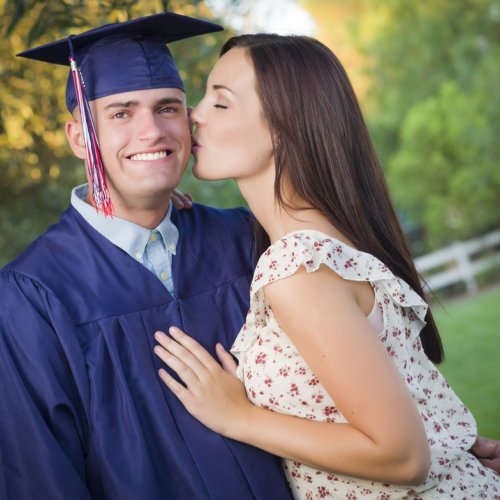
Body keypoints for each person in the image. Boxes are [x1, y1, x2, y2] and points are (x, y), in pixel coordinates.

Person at [153, 34, 500, 498]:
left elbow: (402, 455)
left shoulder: (298, 267)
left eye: (221, 103)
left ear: (283, 125)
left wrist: (238, 415)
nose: (194, 113)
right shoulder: (330, 241)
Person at [0, 15, 293, 500]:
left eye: (167, 108)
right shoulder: (32, 298)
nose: (151, 131)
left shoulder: (244, 239)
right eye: (120, 113)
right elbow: (41, 477)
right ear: (79, 139)